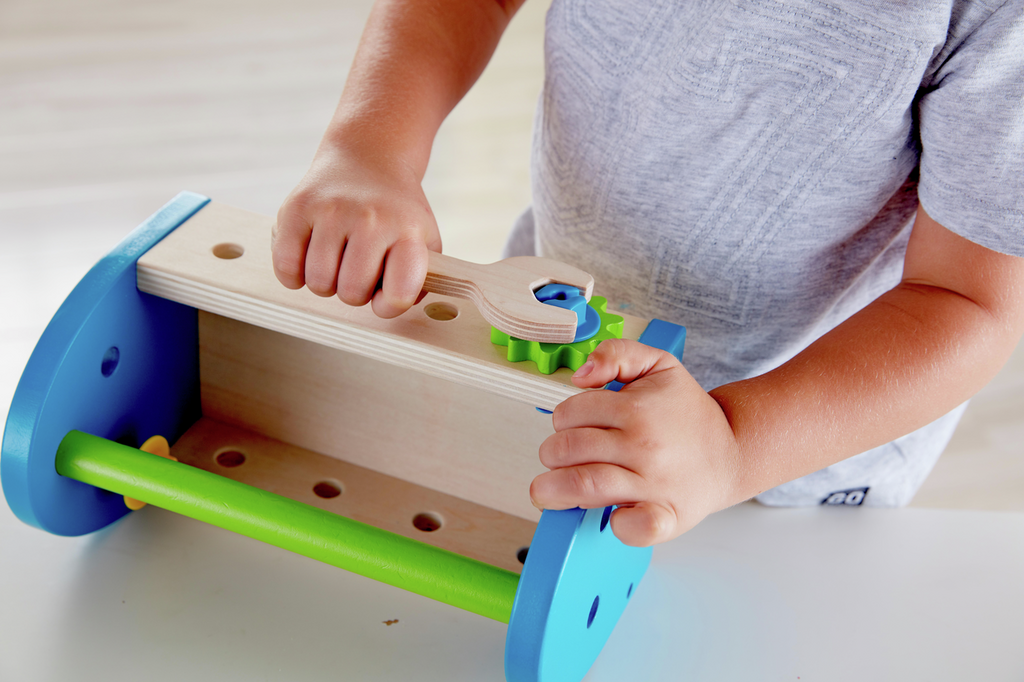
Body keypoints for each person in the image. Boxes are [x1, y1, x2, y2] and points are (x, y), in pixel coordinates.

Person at [271, 0, 1024, 547]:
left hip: (793, 467)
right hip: (552, 366)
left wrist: (731, 447)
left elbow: (967, 301)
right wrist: (372, 150)